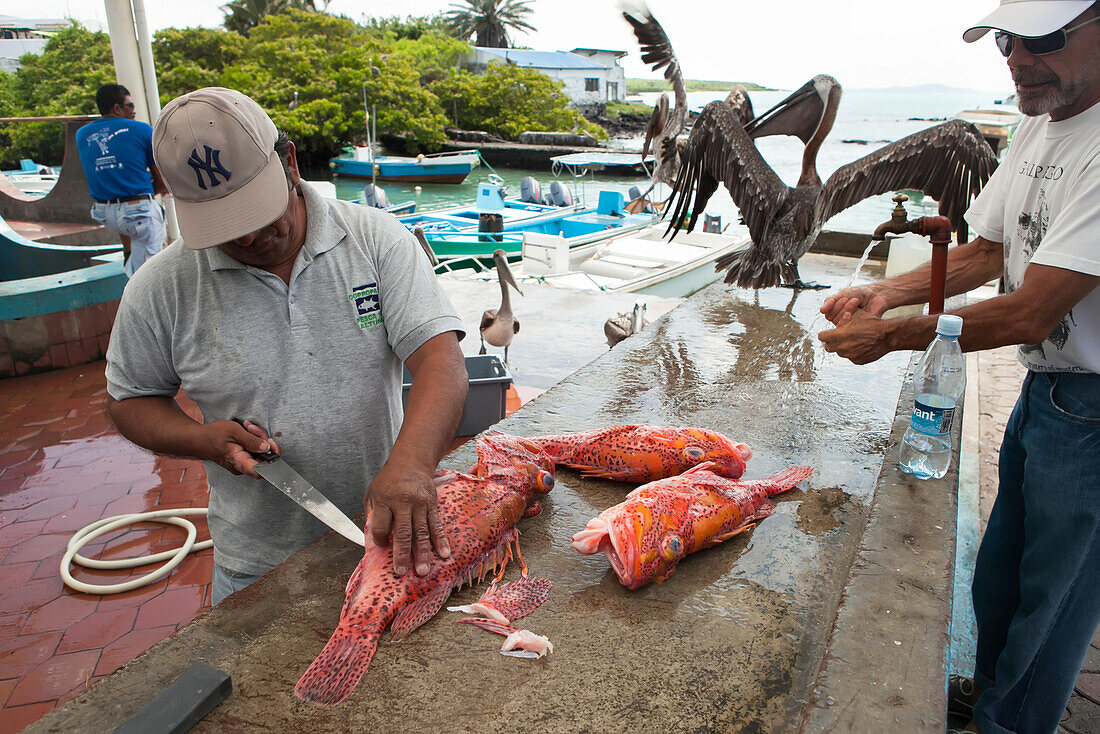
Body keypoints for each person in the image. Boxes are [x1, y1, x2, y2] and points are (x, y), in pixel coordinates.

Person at [818, 2, 1100, 732]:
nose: (1016, 58)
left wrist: (893, 336)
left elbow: (1033, 309)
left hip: (1094, 403)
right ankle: (992, 693)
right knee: (1002, 570)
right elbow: (988, 252)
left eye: (1042, 38)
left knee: (1057, 597)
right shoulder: (1041, 121)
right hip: (1050, 390)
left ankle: (1012, 723)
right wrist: (884, 292)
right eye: (1007, 40)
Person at [103, 87, 468, 605]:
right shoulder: (160, 287)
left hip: (386, 545)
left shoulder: (377, 240)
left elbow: (440, 359)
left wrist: (410, 466)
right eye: (225, 226)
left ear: (290, 162)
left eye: (256, 212)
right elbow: (129, 400)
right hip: (255, 568)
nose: (248, 239)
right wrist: (203, 440)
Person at [76, 84, 168, 277]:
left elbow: (115, 179)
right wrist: (152, 189)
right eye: (130, 105)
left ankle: (129, 256)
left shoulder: (82, 134)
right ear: (117, 108)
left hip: (105, 213)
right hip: (137, 212)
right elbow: (162, 179)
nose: (134, 110)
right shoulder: (142, 129)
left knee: (128, 221)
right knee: (151, 274)